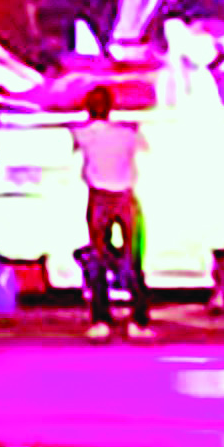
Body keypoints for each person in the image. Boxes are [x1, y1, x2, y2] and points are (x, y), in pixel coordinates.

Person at [74, 88, 150, 339]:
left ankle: (101, 320)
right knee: (132, 258)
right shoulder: (128, 133)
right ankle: (138, 320)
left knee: (98, 258)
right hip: (125, 196)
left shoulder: (82, 133)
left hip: (100, 198)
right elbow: (144, 148)